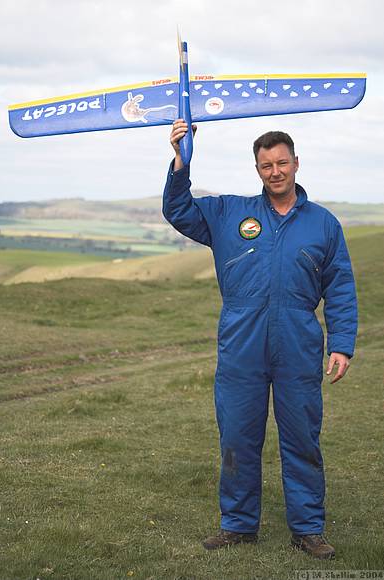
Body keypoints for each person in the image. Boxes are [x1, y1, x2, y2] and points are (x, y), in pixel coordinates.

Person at [162, 120, 357, 560]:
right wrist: (180, 161)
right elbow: (178, 210)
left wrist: (341, 343)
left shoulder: (323, 224)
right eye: (266, 165)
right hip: (241, 345)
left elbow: (340, 286)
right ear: (257, 169)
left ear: (296, 163)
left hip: (297, 344)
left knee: (302, 439)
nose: (275, 171)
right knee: (237, 436)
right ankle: (237, 524)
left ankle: (308, 529)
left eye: (282, 162)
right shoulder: (229, 213)